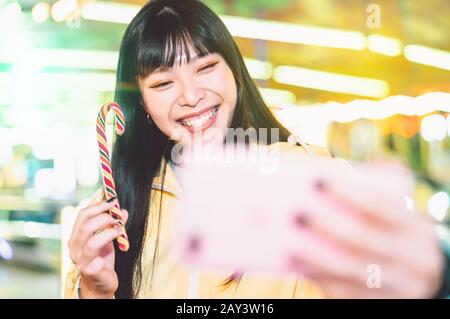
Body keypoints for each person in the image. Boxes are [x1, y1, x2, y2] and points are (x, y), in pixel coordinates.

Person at [65, 0, 448, 299]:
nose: (192, 96)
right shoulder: (117, 211)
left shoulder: (309, 175)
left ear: (234, 70)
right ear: (141, 104)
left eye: (205, 67)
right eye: (164, 83)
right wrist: (95, 289)